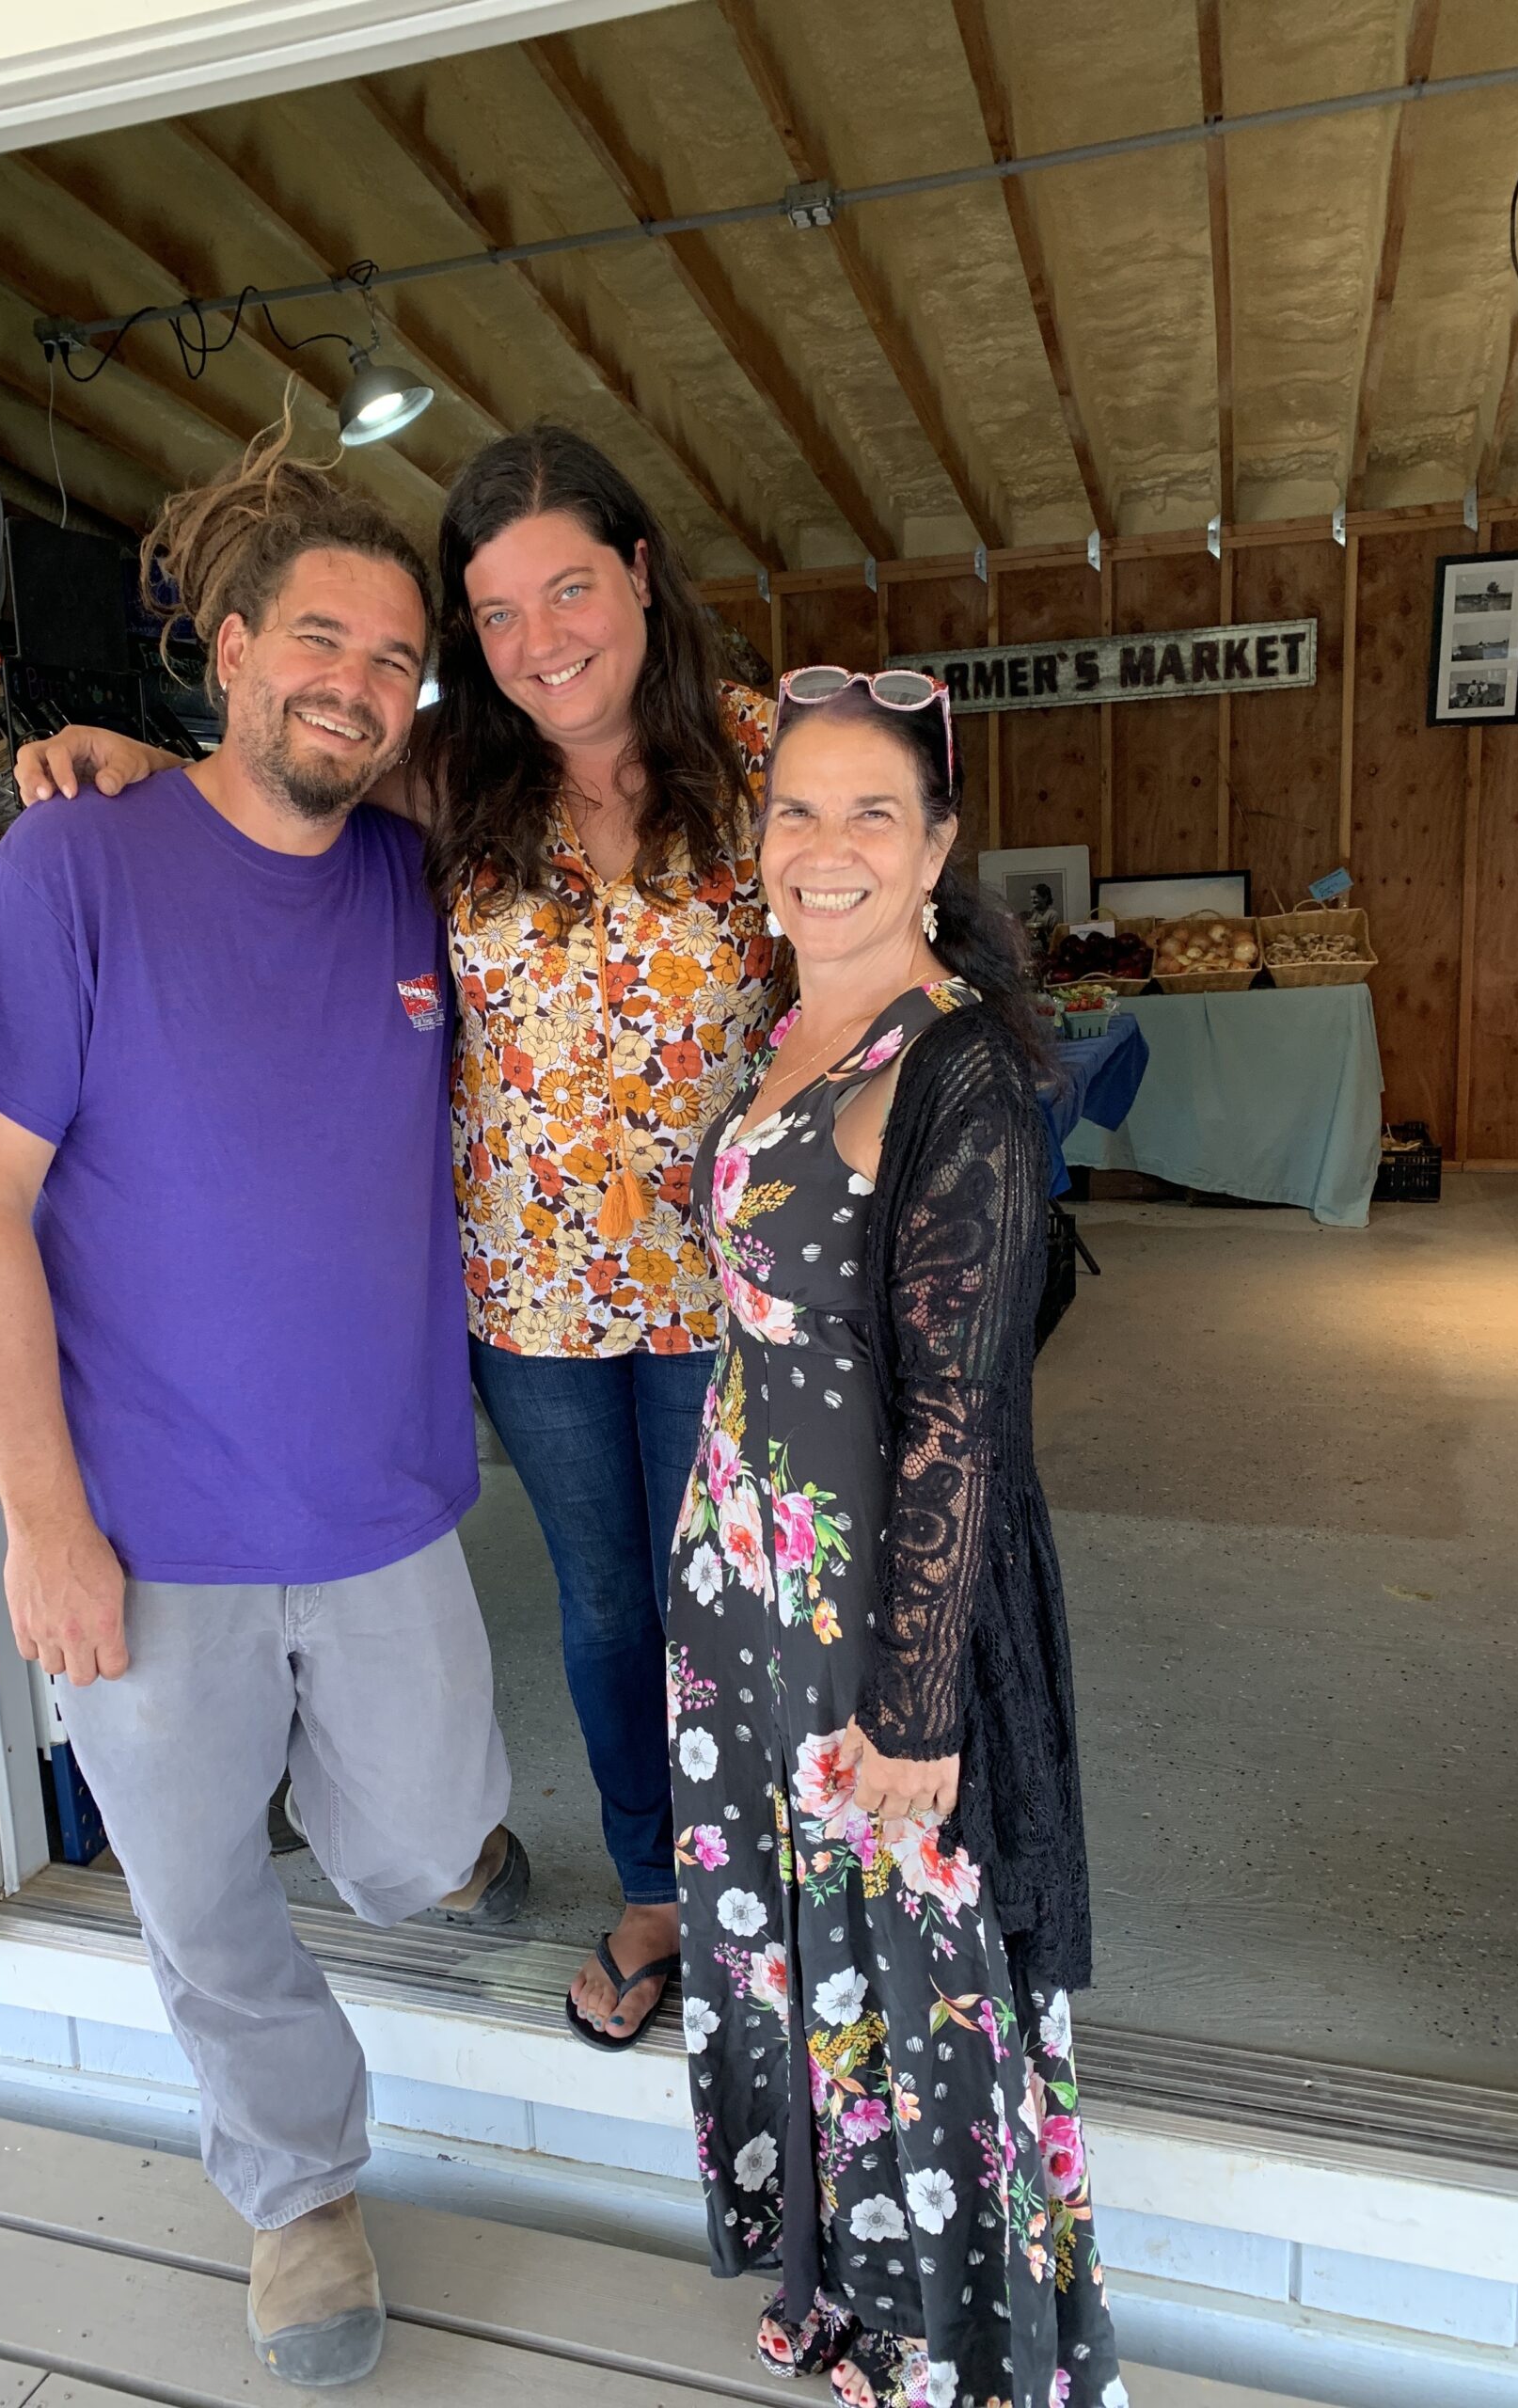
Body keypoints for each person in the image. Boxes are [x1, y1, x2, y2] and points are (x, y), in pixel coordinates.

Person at [15, 425, 781, 2051]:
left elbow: (872, 932)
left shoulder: (763, 753)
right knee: (606, 1605)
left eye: (568, 587)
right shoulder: (458, 780)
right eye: (495, 615)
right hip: (531, 1299)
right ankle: (655, 1885)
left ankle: (760, 1894)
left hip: (736, 1290)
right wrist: (137, 773)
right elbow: (281, 783)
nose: (540, 638)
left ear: (640, 573)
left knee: (735, 1595)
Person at [0, 431, 528, 2392]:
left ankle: (355, 1802)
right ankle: (299, 2192)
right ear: (238, 641)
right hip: (150, 1527)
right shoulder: (74, 863)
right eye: (324, 638)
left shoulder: (413, 880)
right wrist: (41, 1523)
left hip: (380, 1503)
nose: (357, 677)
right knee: (198, 1906)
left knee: (431, 1840)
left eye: (397, 656)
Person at [670, 668, 1125, 2408]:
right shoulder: (786, 1029)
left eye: (876, 811)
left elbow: (959, 1418)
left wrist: (920, 1702)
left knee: (918, 1976)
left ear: (937, 846)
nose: (828, 846)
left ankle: (958, 2347)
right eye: (798, 809)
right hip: (753, 1588)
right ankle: (851, 2290)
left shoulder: (960, 1079)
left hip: (880, 1610)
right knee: (809, 1953)